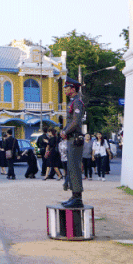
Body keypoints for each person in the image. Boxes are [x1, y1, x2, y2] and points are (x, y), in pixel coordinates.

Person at [60, 78, 86, 208]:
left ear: (73, 89)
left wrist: (65, 132)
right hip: (71, 139)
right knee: (71, 168)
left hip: (75, 139)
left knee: (75, 168)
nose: (64, 89)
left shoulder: (77, 102)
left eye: (67, 87)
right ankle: (74, 195)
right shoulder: (72, 102)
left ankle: (78, 198)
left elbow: (75, 122)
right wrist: (64, 130)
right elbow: (70, 122)